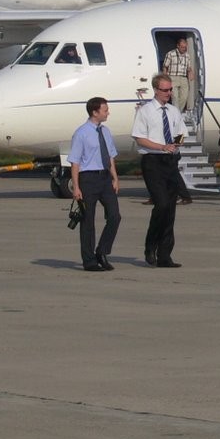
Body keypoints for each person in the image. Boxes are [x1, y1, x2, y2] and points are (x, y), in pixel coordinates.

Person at [133, 74, 186, 268]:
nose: (169, 93)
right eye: (165, 90)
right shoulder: (145, 111)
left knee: (170, 208)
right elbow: (139, 138)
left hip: (170, 160)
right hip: (152, 160)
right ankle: (150, 245)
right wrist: (161, 147)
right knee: (161, 204)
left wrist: (175, 145)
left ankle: (165, 254)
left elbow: (181, 133)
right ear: (156, 90)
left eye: (170, 90)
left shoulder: (173, 111)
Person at [69, 96, 120, 272]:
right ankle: (89, 260)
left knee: (115, 216)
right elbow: (75, 162)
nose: (108, 113)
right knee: (88, 221)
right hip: (88, 179)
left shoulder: (105, 131)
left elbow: (110, 156)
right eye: (105, 110)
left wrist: (115, 177)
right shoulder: (81, 133)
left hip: (105, 178)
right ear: (95, 112)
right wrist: (76, 187)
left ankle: (102, 251)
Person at [162, 37, 194, 113]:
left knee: (184, 97)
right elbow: (165, 67)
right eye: (182, 47)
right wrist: (165, 78)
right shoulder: (170, 54)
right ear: (178, 46)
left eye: (185, 47)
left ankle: (177, 113)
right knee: (175, 97)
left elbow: (188, 67)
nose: (184, 49)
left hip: (183, 78)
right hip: (173, 77)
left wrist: (191, 73)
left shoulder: (187, 55)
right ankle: (176, 114)